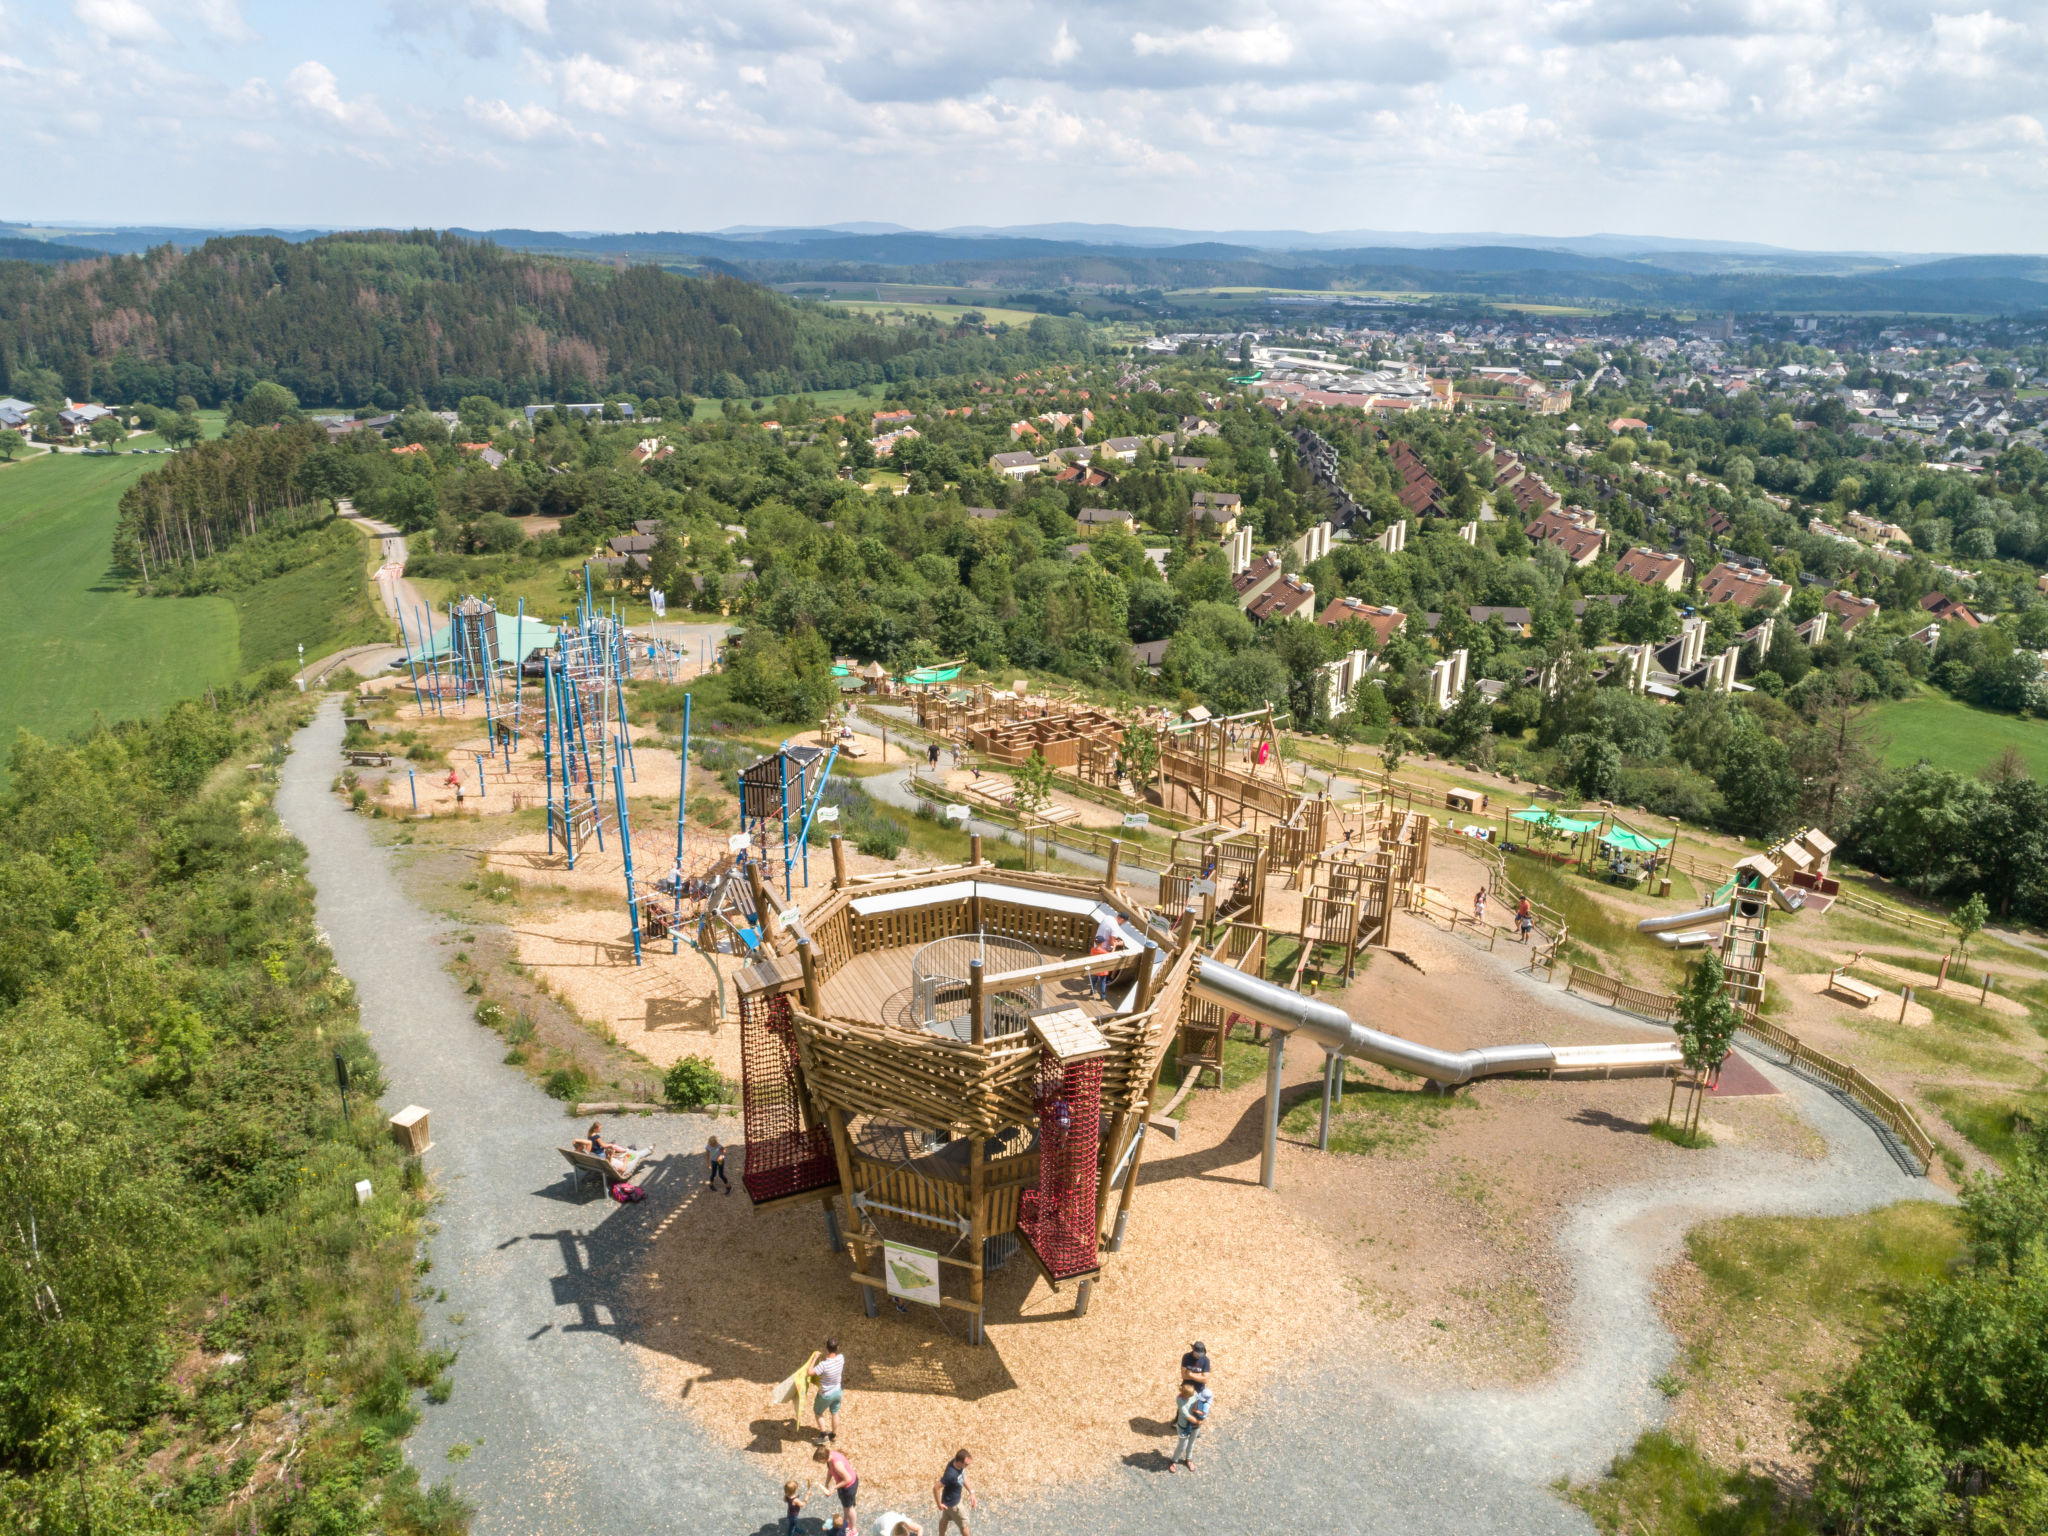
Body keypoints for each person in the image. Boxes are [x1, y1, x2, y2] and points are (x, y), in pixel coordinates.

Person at [933, 1448, 975, 1536]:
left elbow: (963, 1477)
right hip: (954, 1505)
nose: (968, 1466)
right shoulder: (951, 1475)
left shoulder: (957, 1464)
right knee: (964, 1524)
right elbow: (936, 1487)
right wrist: (938, 1504)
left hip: (947, 1501)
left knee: (945, 1519)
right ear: (959, 1462)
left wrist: (971, 1492)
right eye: (966, 1464)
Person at [1170, 1380, 1210, 1472]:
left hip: (1195, 1426)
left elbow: (1201, 1404)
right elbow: (1185, 1414)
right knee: (1182, 1445)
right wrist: (1198, 1421)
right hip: (1183, 1426)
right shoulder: (1180, 1400)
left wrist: (1203, 1415)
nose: (1194, 1395)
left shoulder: (1195, 1394)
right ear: (1185, 1395)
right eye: (1191, 1395)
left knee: (1191, 1443)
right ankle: (1174, 1460)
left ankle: (1188, 1459)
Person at [811, 1339, 846, 1440]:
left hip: (826, 1394)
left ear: (827, 1348)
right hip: (838, 1391)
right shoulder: (841, 1358)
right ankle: (833, 1435)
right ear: (837, 1348)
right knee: (835, 1412)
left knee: (818, 1413)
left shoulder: (823, 1365)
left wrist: (814, 1358)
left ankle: (823, 1435)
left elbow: (810, 1372)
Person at [818, 1442, 858, 1529]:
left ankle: (853, 1529)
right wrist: (827, 1483)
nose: (819, 1462)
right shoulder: (830, 1456)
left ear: (823, 1458)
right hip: (846, 1484)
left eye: (819, 1461)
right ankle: (846, 1522)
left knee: (849, 1508)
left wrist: (834, 1488)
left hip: (848, 1487)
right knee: (847, 1507)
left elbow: (848, 1479)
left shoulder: (837, 1465)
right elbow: (830, 1471)